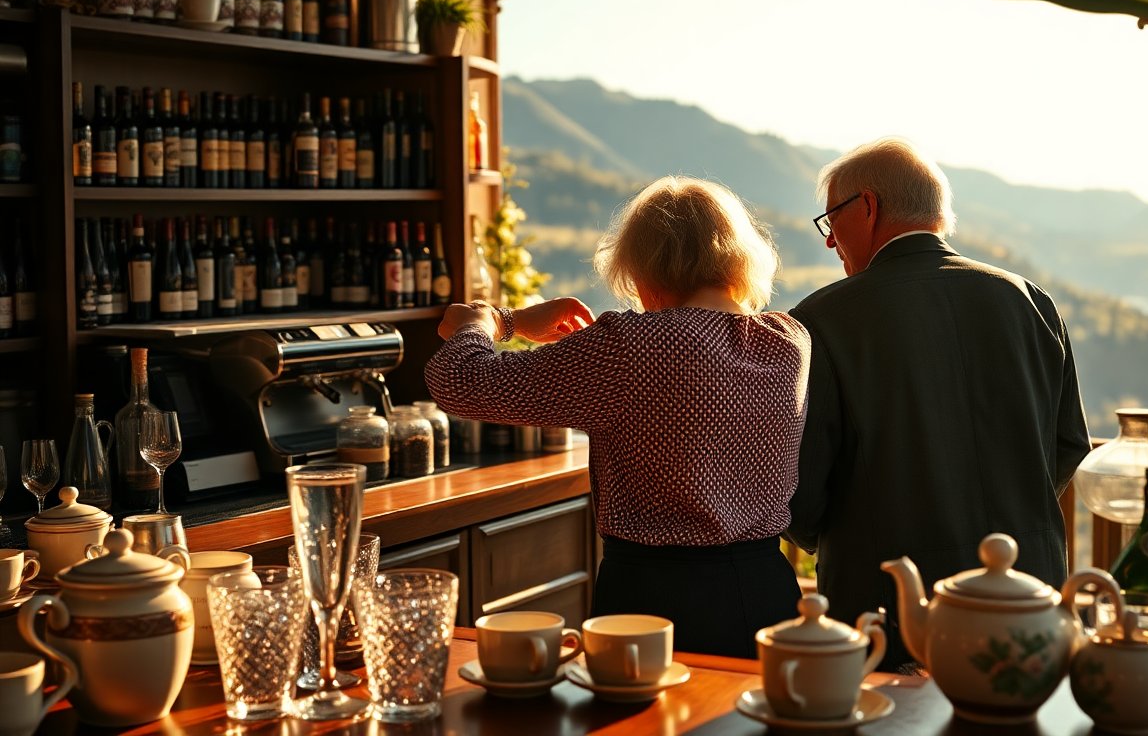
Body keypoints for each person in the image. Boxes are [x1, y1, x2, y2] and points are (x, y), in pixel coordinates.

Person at [425, 176, 810, 659]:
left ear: (645, 271)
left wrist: (491, 321)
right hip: (767, 594)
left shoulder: (630, 345)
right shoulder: (791, 341)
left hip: (651, 604)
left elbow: (459, 380)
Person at [786, 138, 1091, 670]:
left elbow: (802, 490)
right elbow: (1068, 445)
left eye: (831, 220)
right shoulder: (1030, 302)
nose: (831, 241)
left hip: (889, 612)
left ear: (868, 206)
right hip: (1027, 597)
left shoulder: (821, 322)